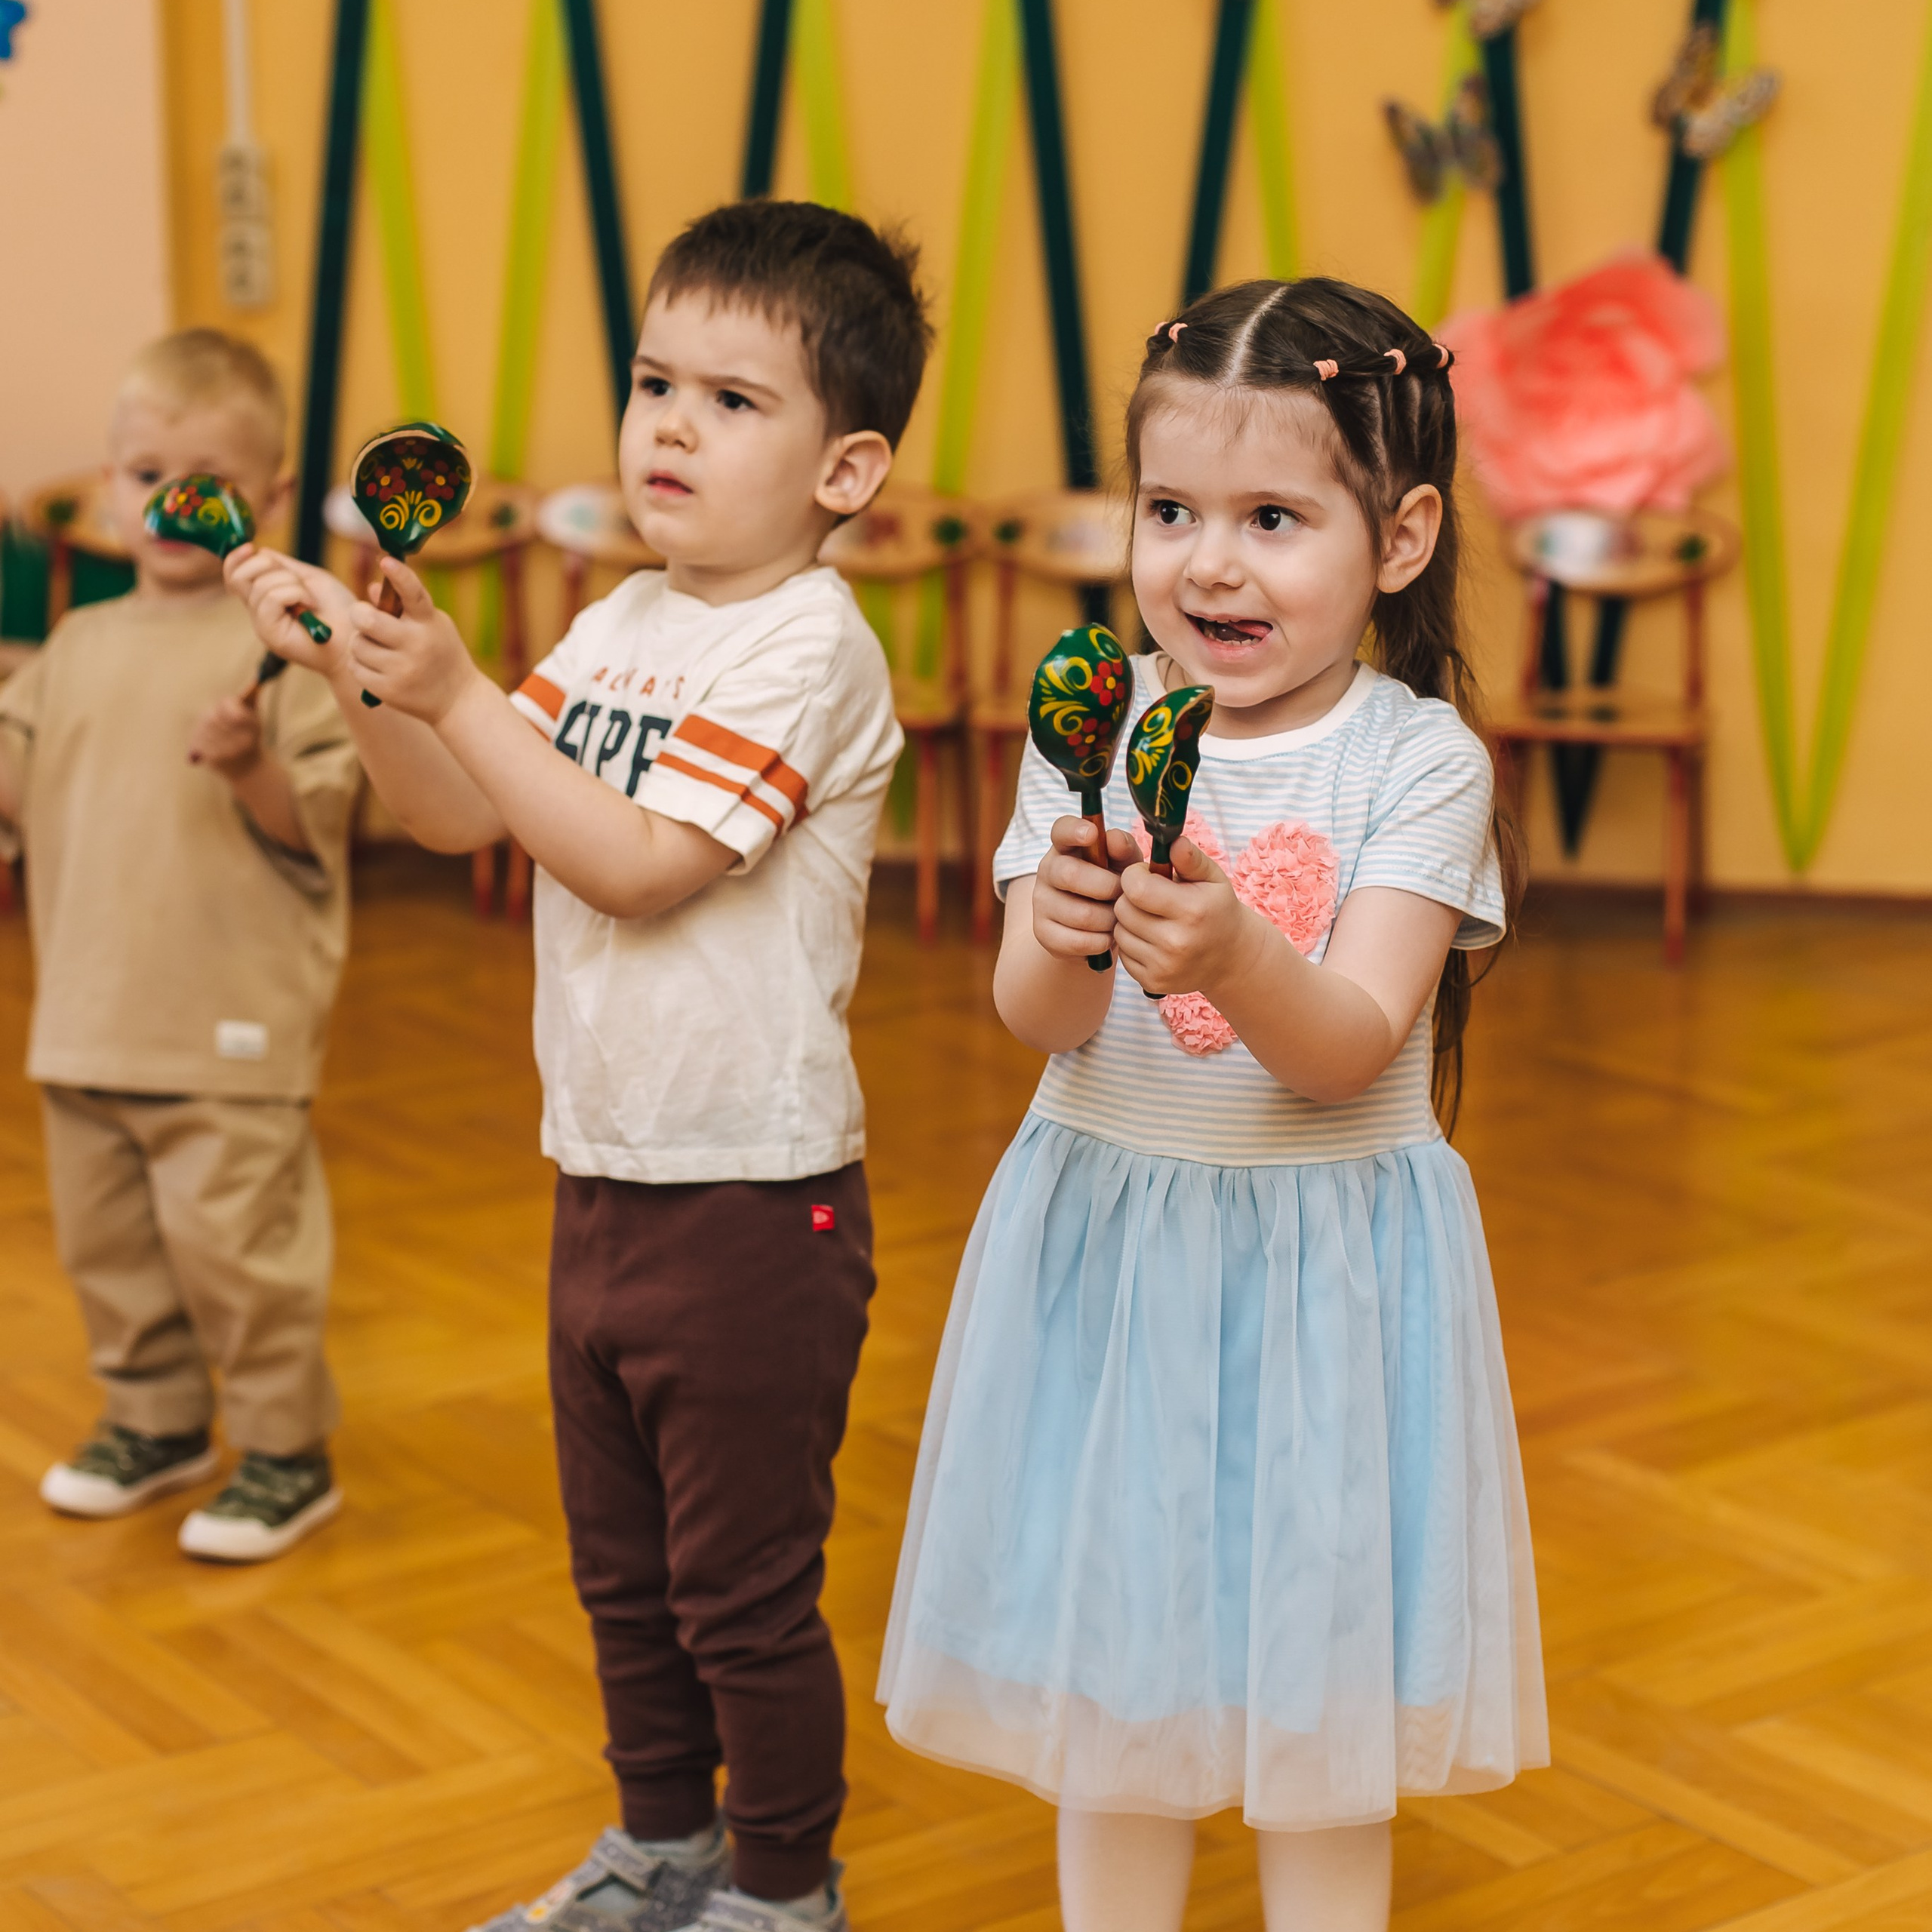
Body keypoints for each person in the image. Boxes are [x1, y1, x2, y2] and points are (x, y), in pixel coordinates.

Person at [227, 202, 927, 1932]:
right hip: (602, 1171)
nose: (670, 426)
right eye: (650, 381)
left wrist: (460, 691)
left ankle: (781, 1887)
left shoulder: (808, 647)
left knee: (742, 1588)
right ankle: (660, 1850)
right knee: (626, 1576)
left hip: (756, 1198)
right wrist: (369, 676)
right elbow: (467, 811)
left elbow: (631, 863)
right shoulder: (617, 620)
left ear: (844, 469)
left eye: (731, 400)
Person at [878, 278, 1548, 1932]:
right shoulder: (1091, 734)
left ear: (1396, 537)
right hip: (1112, 1260)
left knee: (1317, 1692)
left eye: (1269, 514)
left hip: (1325, 1290)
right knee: (1115, 1677)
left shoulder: (1418, 763)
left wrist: (1235, 943)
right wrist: (1061, 923)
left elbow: (1341, 1043)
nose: (1207, 562)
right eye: (1168, 509)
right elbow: (1033, 1018)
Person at [0, 329, 361, 1562]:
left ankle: (281, 1450)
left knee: (239, 1251)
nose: (166, 501)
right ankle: (152, 1420)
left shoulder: (287, 644)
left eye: (202, 478)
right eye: (142, 469)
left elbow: (320, 826)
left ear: (263, 502)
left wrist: (254, 761)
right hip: (87, 1017)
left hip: (229, 1018)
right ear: (104, 485)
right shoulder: (77, 649)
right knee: (111, 1246)